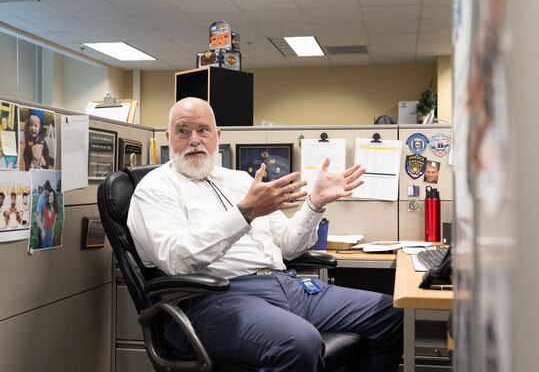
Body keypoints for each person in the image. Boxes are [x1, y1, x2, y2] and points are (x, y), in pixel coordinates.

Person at [127, 97, 404, 372]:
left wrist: (315, 204)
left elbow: (287, 245)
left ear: (217, 135)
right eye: (183, 131)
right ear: (168, 137)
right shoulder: (155, 189)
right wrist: (245, 213)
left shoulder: (241, 180)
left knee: (392, 314)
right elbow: (177, 260)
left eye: (203, 130)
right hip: (215, 299)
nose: (194, 140)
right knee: (298, 342)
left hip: (286, 286)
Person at [35, 180, 52, 247]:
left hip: (48, 226)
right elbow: (37, 218)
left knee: (50, 247)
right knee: (44, 247)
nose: (48, 194)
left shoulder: (49, 196)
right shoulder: (41, 200)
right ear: (45, 189)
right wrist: (42, 231)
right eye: (47, 191)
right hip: (43, 227)